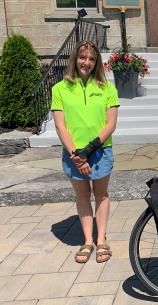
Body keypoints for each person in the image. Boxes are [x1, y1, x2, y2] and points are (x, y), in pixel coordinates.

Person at [51, 40, 119, 263]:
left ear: (96, 62)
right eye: (82, 57)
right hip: (73, 153)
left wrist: (88, 150)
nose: (86, 62)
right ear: (75, 59)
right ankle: (88, 241)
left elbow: (110, 124)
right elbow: (60, 126)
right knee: (82, 196)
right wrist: (76, 154)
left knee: (102, 194)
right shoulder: (59, 89)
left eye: (91, 58)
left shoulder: (107, 88)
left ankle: (101, 241)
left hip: (100, 151)